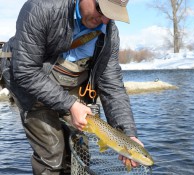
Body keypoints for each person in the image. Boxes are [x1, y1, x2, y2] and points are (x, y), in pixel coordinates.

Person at [1, 0, 144, 174]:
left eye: (112, 14)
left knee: (79, 151)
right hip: (29, 83)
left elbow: (112, 85)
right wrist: (70, 105)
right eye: (101, 9)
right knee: (52, 155)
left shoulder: (109, 31)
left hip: (70, 87)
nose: (105, 20)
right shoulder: (41, 8)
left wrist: (128, 135)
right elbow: (25, 71)